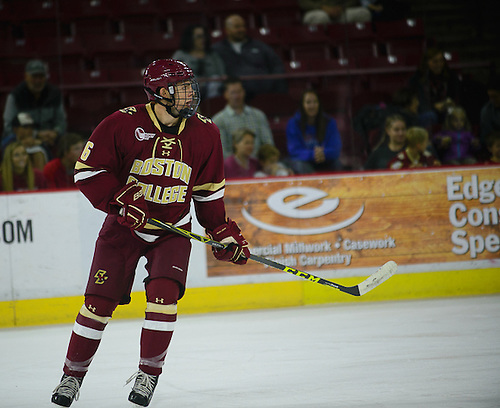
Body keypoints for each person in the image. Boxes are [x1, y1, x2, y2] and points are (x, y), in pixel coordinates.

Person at [50, 59, 250, 408]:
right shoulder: (121, 124)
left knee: (163, 298)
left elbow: (207, 194)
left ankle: (148, 374)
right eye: (182, 87)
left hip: (172, 231)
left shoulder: (206, 132)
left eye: (190, 85)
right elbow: (87, 172)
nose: (191, 93)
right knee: (97, 305)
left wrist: (222, 231)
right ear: (160, 93)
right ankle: (71, 377)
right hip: (124, 228)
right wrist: (121, 200)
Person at [2, 59, 67, 161]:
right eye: (34, 76)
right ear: (26, 76)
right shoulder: (16, 96)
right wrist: (35, 135)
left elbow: (61, 122)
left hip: (51, 139)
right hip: (22, 139)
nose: (37, 81)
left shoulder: (54, 93)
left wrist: (55, 132)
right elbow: (8, 127)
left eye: (41, 76)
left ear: (45, 77)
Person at [212, 14, 287, 100]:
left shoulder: (259, 46)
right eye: (237, 27)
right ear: (227, 30)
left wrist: (271, 82)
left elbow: (277, 65)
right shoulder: (217, 49)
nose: (241, 29)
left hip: (262, 91)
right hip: (232, 94)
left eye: (243, 26)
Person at [212, 77, 274, 159]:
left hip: (260, 163)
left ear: (244, 92)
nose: (237, 96)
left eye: (239, 92)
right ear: (226, 94)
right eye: (233, 93)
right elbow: (221, 152)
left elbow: (268, 144)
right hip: (232, 168)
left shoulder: (259, 115)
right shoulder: (218, 120)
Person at [286, 89, 342, 174]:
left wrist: (324, 153)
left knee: (337, 164)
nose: (312, 106)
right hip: (304, 161)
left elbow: (336, 149)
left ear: (319, 104)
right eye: (308, 102)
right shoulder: (293, 123)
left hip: (325, 159)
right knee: (299, 165)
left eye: (315, 102)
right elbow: (294, 151)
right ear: (302, 105)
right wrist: (313, 154)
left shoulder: (329, 122)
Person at [408, 47, 462, 130]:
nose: (439, 64)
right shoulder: (417, 78)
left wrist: (449, 103)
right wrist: (434, 106)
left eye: (441, 61)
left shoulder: (451, 76)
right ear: (427, 62)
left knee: (454, 113)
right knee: (430, 116)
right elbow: (417, 101)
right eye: (435, 61)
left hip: (446, 108)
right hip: (425, 110)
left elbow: (455, 96)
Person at [172, 24, 226, 99]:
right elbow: (174, 76)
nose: (203, 39)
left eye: (204, 36)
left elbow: (222, 75)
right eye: (199, 37)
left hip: (212, 92)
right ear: (190, 38)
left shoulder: (213, 55)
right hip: (189, 92)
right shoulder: (180, 55)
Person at [298, 0, 371, 25]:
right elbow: (304, 3)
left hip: (339, 10)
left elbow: (353, 1)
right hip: (317, 10)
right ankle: (323, 47)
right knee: (321, 17)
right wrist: (322, 7)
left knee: (363, 13)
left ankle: (358, 48)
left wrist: (341, 7)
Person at [479, 75, 500, 148]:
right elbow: (486, 136)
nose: (492, 100)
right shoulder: (486, 111)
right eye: (490, 97)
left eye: (495, 96)